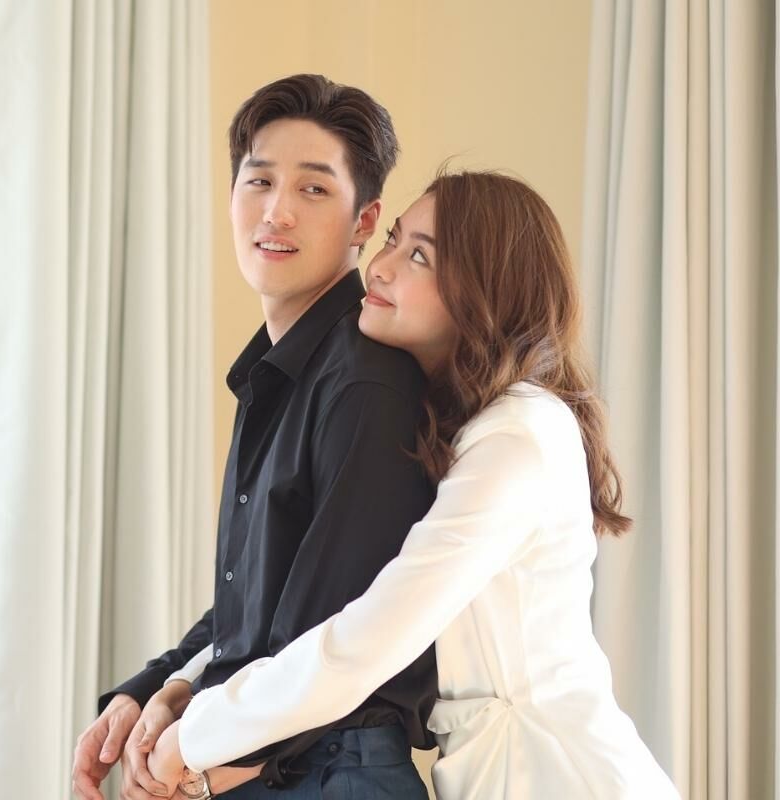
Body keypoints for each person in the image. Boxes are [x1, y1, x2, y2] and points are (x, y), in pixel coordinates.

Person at [144, 171, 681, 799]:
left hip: (561, 774)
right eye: (393, 241)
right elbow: (311, 589)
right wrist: (186, 680)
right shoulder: (458, 425)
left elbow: (372, 636)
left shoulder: (518, 435)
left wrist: (195, 736)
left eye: (419, 257)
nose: (380, 268)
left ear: (487, 291)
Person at [71, 74, 439, 800]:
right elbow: (254, 608)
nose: (276, 211)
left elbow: (324, 640)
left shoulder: (365, 382)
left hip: (329, 771)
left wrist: (188, 756)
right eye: (259, 180)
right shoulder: (279, 371)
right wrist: (150, 690)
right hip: (264, 760)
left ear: (364, 221)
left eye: (313, 189)